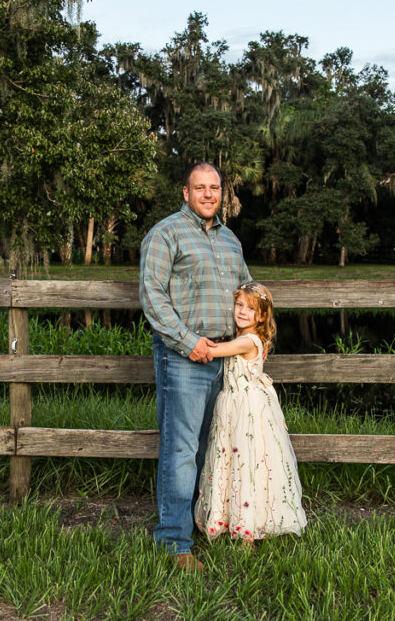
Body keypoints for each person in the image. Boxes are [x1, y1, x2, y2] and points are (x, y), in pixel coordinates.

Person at [139, 162, 252, 572]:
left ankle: (206, 522)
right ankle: (174, 541)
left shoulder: (231, 241)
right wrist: (190, 343)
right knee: (182, 449)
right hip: (183, 357)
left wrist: (252, 339)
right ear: (184, 193)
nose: (208, 194)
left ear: (223, 193)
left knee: (213, 447)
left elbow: (247, 294)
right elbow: (152, 297)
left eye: (215, 188)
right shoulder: (165, 233)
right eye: (199, 188)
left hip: (225, 358)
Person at [194, 282, 307, 547]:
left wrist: (192, 341)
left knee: (248, 463)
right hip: (234, 407)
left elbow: (213, 352)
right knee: (231, 459)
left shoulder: (248, 341)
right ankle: (231, 520)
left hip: (246, 410)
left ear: (262, 316)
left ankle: (249, 530)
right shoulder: (242, 337)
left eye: (250, 308)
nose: (242, 311)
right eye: (239, 305)